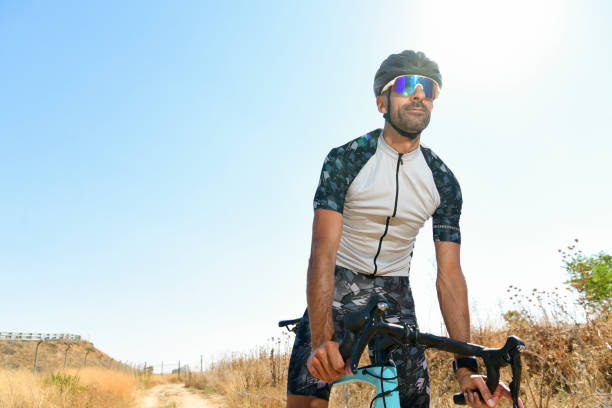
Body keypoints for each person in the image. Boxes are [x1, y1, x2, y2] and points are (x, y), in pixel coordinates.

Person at [286, 50, 524, 408]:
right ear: (382, 102)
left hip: (395, 290)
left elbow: (449, 275)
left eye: (429, 89)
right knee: (309, 392)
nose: (419, 94)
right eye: (407, 85)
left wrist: (466, 368)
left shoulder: (443, 181)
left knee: (413, 399)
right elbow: (322, 249)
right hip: (338, 280)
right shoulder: (346, 158)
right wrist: (322, 337)